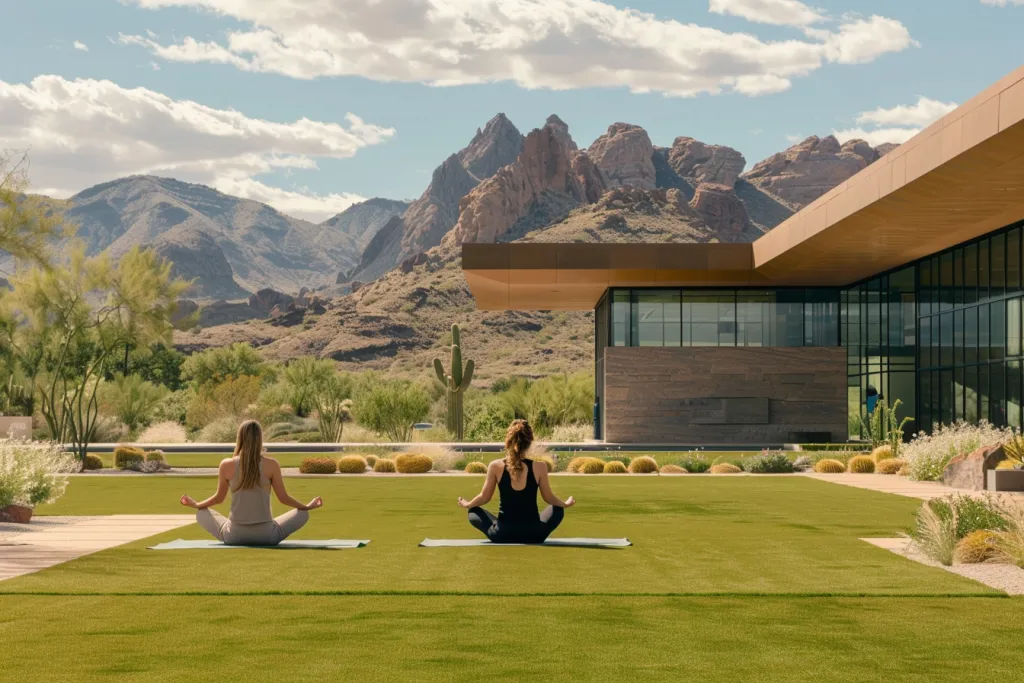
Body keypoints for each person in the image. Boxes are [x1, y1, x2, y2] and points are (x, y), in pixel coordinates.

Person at [180, 420, 323, 546]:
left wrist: (197, 505)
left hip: (234, 535)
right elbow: (283, 498)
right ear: (260, 439)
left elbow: (219, 498)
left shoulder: (226, 464)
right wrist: (306, 507)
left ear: (240, 438)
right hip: (267, 536)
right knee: (303, 514)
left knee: (201, 512)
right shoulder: (271, 464)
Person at [458, 419, 575, 543]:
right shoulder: (540, 467)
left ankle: (500, 527)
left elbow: (484, 497)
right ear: (529, 442)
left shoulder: (495, 466)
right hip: (533, 535)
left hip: (502, 534)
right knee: (558, 509)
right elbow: (549, 498)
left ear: (508, 441)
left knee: (473, 511)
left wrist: (468, 504)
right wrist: (564, 504)